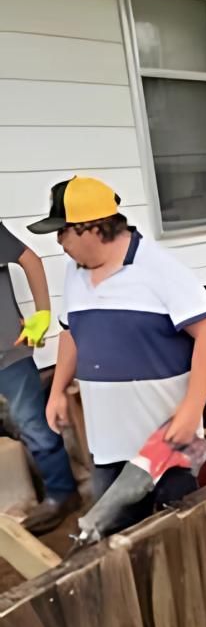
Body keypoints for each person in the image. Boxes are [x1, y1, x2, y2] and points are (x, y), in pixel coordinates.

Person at [28, 176, 206, 520]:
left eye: (63, 231)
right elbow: (70, 333)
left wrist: (193, 409)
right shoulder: (74, 273)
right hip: (106, 443)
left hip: (168, 442)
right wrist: (57, 390)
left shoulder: (160, 269)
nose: (59, 242)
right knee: (114, 536)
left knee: (178, 530)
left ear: (91, 228)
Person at [0, 222, 78, 533]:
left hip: (8, 350)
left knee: (32, 423)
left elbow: (30, 259)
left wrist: (42, 314)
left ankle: (62, 494)